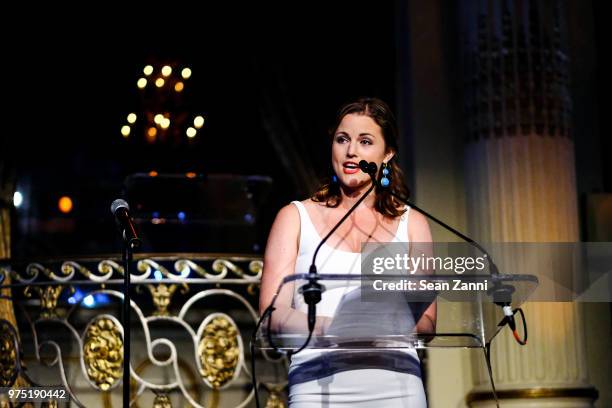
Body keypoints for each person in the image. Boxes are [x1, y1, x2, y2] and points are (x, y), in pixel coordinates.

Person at [259, 97, 436, 407]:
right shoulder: (295, 217)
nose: (351, 150)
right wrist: (338, 328)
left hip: (397, 387)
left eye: (365, 141)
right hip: (317, 385)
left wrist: (378, 324)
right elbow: (272, 315)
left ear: (387, 153)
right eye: (343, 139)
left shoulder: (413, 223)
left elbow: (427, 324)